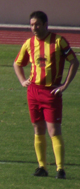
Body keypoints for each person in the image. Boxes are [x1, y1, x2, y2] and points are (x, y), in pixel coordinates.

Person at [14, 11, 79, 179]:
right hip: (33, 91)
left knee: (54, 130)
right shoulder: (29, 43)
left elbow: (74, 61)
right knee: (38, 128)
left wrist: (65, 85)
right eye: (31, 25)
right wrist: (23, 81)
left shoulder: (58, 41)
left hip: (51, 92)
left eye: (37, 24)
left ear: (45, 24)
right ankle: (41, 166)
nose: (34, 28)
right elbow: (17, 63)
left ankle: (60, 168)